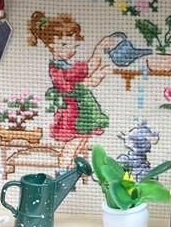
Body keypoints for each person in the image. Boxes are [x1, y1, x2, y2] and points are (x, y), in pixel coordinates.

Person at [28, 11, 118, 168]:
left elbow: (89, 67)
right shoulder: (57, 69)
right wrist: (91, 81)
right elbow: (68, 89)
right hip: (73, 114)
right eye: (64, 45)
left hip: (83, 112)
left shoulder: (67, 66)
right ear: (51, 45)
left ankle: (71, 172)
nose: (70, 50)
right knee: (72, 144)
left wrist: (100, 47)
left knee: (80, 143)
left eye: (73, 45)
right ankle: (62, 172)